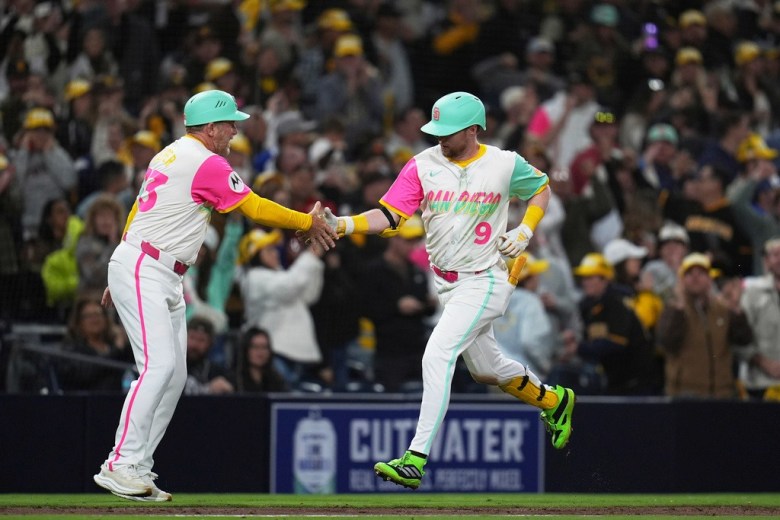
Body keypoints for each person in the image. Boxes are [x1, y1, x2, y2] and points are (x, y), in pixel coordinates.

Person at [321, 91, 575, 490]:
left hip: (487, 278)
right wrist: (343, 225)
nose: (439, 137)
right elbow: (390, 215)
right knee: (486, 370)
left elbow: (541, 187)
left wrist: (525, 230)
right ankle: (554, 401)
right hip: (447, 285)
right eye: (436, 129)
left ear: (473, 129)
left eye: (449, 131)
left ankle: (415, 457)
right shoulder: (423, 164)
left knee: (438, 354)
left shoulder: (503, 163)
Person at [93, 89, 336, 502]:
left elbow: (138, 210)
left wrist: (123, 258)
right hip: (147, 265)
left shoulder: (169, 153)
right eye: (228, 124)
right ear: (210, 128)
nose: (234, 131)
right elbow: (254, 207)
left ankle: (139, 466)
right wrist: (304, 220)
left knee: (176, 374)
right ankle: (118, 463)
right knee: (158, 366)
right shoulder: (203, 160)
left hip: (153, 268)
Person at [656, 253, 753, 398]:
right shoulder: (673, 309)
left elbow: (744, 339)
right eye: (689, 273)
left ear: (709, 278)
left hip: (722, 393)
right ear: (681, 280)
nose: (695, 277)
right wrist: (680, 307)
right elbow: (667, 343)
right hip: (684, 394)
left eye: (701, 273)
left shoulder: (723, 309)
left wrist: (736, 309)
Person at [739, 238, 780, 400]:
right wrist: (763, 362)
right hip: (759, 383)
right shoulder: (752, 292)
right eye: (775, 255)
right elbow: (740, 337)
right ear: (767, 261)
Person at [235, 327, 288, 393]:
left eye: (264, 347)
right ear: (246, 350)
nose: (260, 352)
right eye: (255, 347)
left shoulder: (277, 380)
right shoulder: (237, 379)